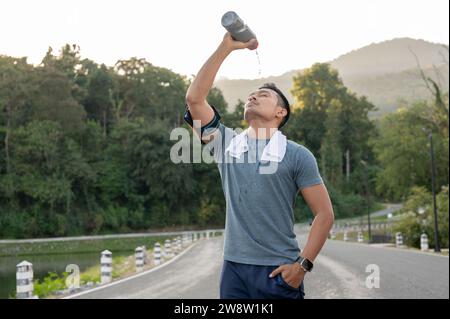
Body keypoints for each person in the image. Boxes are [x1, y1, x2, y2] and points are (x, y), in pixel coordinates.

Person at [184, 32, 334, 299]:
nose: (252, 97)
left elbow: (324, 214)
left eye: (262, 95)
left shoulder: (297, 155)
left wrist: (302, 266)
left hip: (278, 271)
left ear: (281, 112)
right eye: (250, 96)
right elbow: (195, 99)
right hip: (234, 270)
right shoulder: (226, 144)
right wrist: (226, 47)